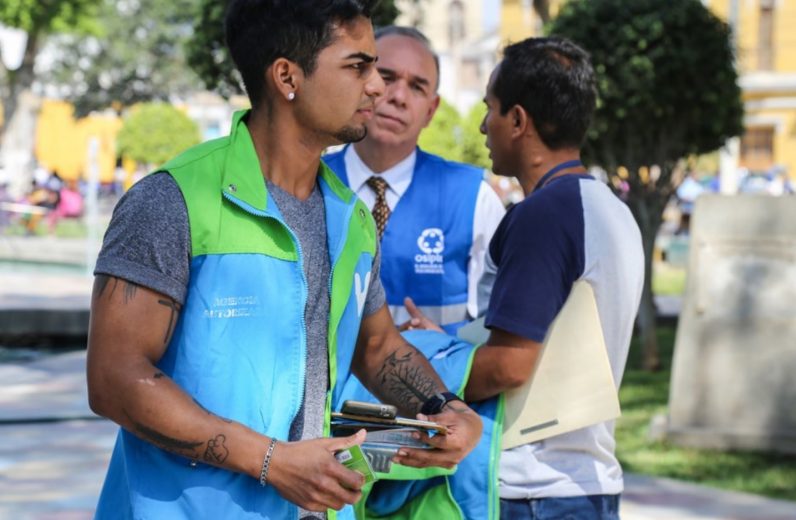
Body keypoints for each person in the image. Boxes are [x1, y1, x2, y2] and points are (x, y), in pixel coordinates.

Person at [86, 2, 482, 519]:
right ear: (287, 76)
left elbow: (378, 344)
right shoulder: (173, 201)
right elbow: (114, 378)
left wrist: (445, 408)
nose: (377, 87)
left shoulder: (351, 217)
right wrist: (270, 461)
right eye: (357, 66)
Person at [407, 37, 644, 519]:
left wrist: (415, 367)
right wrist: (454, 339)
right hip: (583, 483)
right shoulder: (608, 209)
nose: (481, 125)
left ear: (518, 121)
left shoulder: (545, 215)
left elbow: (512, 366)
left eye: (489, 109)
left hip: (533, 490)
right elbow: (551, 335)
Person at [324, 26, 505, 335]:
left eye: (417, 87)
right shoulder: (308, 183)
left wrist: (451, 346)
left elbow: (501, 328)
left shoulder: (473, 199)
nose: (398, 97)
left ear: (431, 111)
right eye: (387, 77)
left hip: (434, 381)